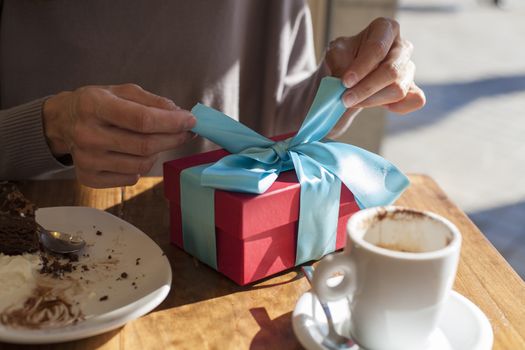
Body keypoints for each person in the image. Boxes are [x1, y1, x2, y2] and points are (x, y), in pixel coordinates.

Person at [0, 1, 425, 188]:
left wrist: (335, 90)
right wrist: (46, 129)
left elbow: (279, 126)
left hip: (221, 263)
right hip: (35, 247)